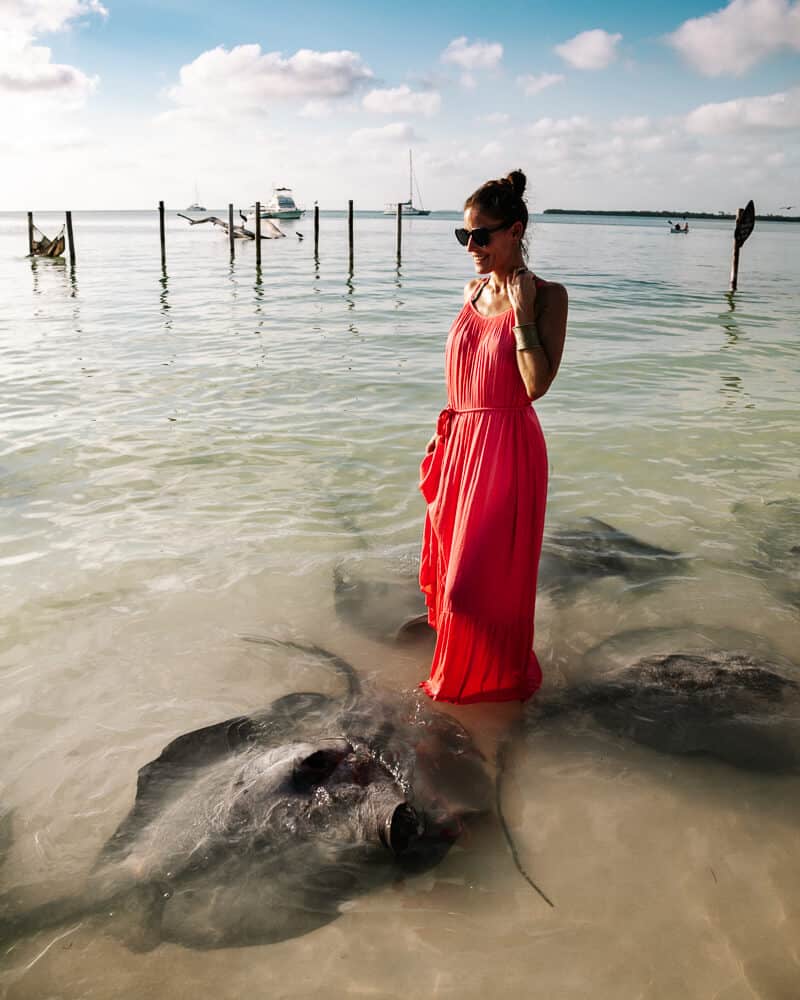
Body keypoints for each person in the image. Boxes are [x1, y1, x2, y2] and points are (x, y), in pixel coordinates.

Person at [417, 170, 568, 705]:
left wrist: (523, 316)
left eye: (482, 235)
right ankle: (484, 706)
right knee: (453, 576)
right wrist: (446, 437)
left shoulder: (549, 297)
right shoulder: (472, 290)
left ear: (515, 231)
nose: (471, 247)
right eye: (464, 236)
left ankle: (484, 689)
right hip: (461, 446)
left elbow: (535, 386)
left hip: (507, 451)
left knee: (469, 588)